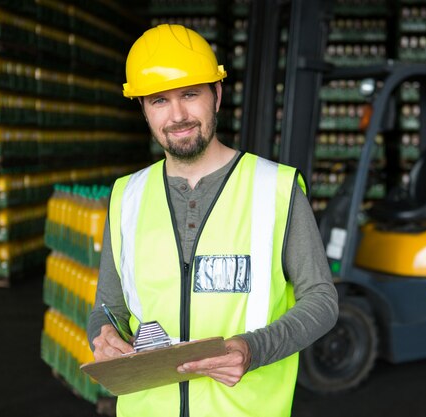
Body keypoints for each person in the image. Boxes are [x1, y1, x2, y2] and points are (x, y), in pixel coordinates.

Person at [87, 24, 338, 417]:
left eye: (190, 94)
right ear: (143, 109)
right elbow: (107, 308)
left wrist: (253, 349)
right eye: (159, 101)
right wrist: (100, 337)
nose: (178, 115)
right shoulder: (126, 197)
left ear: (217, 95)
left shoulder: (276, 188)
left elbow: (322, 300)